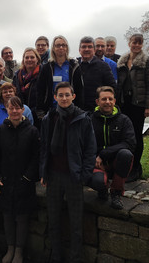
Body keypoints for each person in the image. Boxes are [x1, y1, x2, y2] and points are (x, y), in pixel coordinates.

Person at [39, 82, 96, 263]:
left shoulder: (83, 119)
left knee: (76, 223)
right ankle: (56, 256)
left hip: (74, 176)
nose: (64, 98)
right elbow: (44, 148)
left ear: (73, 96)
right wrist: (44, 171)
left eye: (67, 95)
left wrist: (84, 175)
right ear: (55, 97)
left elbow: (90, 149)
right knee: (54, 220)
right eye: (60, 95)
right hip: (54, 175)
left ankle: (75, 258)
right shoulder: (49, 119)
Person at [0, 96, 39, 263]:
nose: (14, 111)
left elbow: (36, 158)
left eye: (17, 108)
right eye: (11, 108)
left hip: (23, 181)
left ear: (23, 110)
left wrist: (27, 178)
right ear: (7, 110)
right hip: (5, 180)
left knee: (21, 217)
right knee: (7, 216)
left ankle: (19, 251)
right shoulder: (0, 130)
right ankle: (10, 247)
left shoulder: (32, 131)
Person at [116, 34, 149, 182]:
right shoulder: (122, 61)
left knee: (136, 137)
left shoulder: (146, 61)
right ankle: (125, 165)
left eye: (139, 43)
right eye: (134, 42)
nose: (136, 46)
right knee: (124, 136)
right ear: (129, 43)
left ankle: (136, 167)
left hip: (138, 105)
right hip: (123, 103)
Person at [89, 86, 136, 210]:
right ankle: (102, 189)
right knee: (98, 182)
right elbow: (84, 144)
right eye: (104, 99)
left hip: (116, 161)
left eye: (110, 99)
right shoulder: (89, 120)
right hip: (96, 163)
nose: (107, 102)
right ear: (97, 102)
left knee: (126, 154)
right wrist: (94, 159)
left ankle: (116, 193)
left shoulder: (124, 120)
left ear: (115, 101)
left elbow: (130, 143)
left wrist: (104, 154)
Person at [36, 35, 84, 118]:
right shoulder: (47, 67)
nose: (61, 47)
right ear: (53, 48)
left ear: (67, 48)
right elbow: (40, 90)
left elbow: (79, 90)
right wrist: (41, 110)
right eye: (58, 45)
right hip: (51, 110)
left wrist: (79, 110)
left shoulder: (74, 66)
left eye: (63, 45)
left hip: (71, 111)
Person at [77, 36, 116, 110]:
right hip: (77, 109)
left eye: (90, 47)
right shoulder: (74, 65)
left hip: (96, 109)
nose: (87, 49)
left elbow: (112, 87)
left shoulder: (103, 66)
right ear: (79, 50)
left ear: (94, 50)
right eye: (84, 47)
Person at [12, 47, 41, 112]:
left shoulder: (43, 73)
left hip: (38, 113)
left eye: (32, 57)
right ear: (23, 60)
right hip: (20, 112)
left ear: (37, 59)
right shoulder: (17, 75)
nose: (29, 59)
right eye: (27, 57)